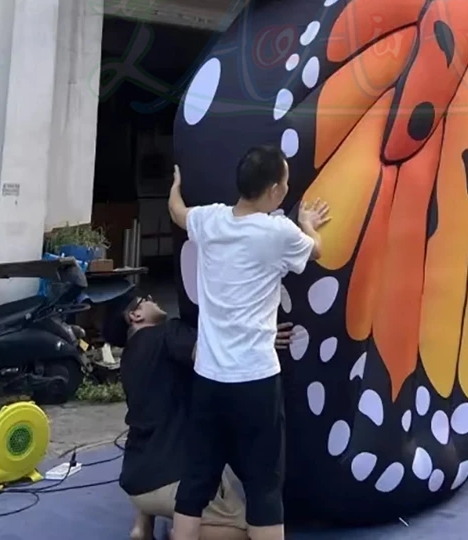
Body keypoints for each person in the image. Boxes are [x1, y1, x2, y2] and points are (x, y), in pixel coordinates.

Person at [168, 147, 330, 540]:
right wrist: (308, 223)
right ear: (274, 190)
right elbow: (318, 251)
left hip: (208, 377)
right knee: (264, 484)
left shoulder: (209, 220)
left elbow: (177, 211)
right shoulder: (279, 234)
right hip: (256, 380)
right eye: (286, 182)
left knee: (195, 481)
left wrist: (174, 185)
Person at [106, 292, 294, 540]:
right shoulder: (168, 333)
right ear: (136, 315)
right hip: (173, 478)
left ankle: (143, 522)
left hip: (135, 479)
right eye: (147, 299)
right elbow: (211, 353)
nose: (154, 299)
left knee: (164, 427)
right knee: (253, 529)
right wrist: (260, 340)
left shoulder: (129, 358)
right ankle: (184, 532)